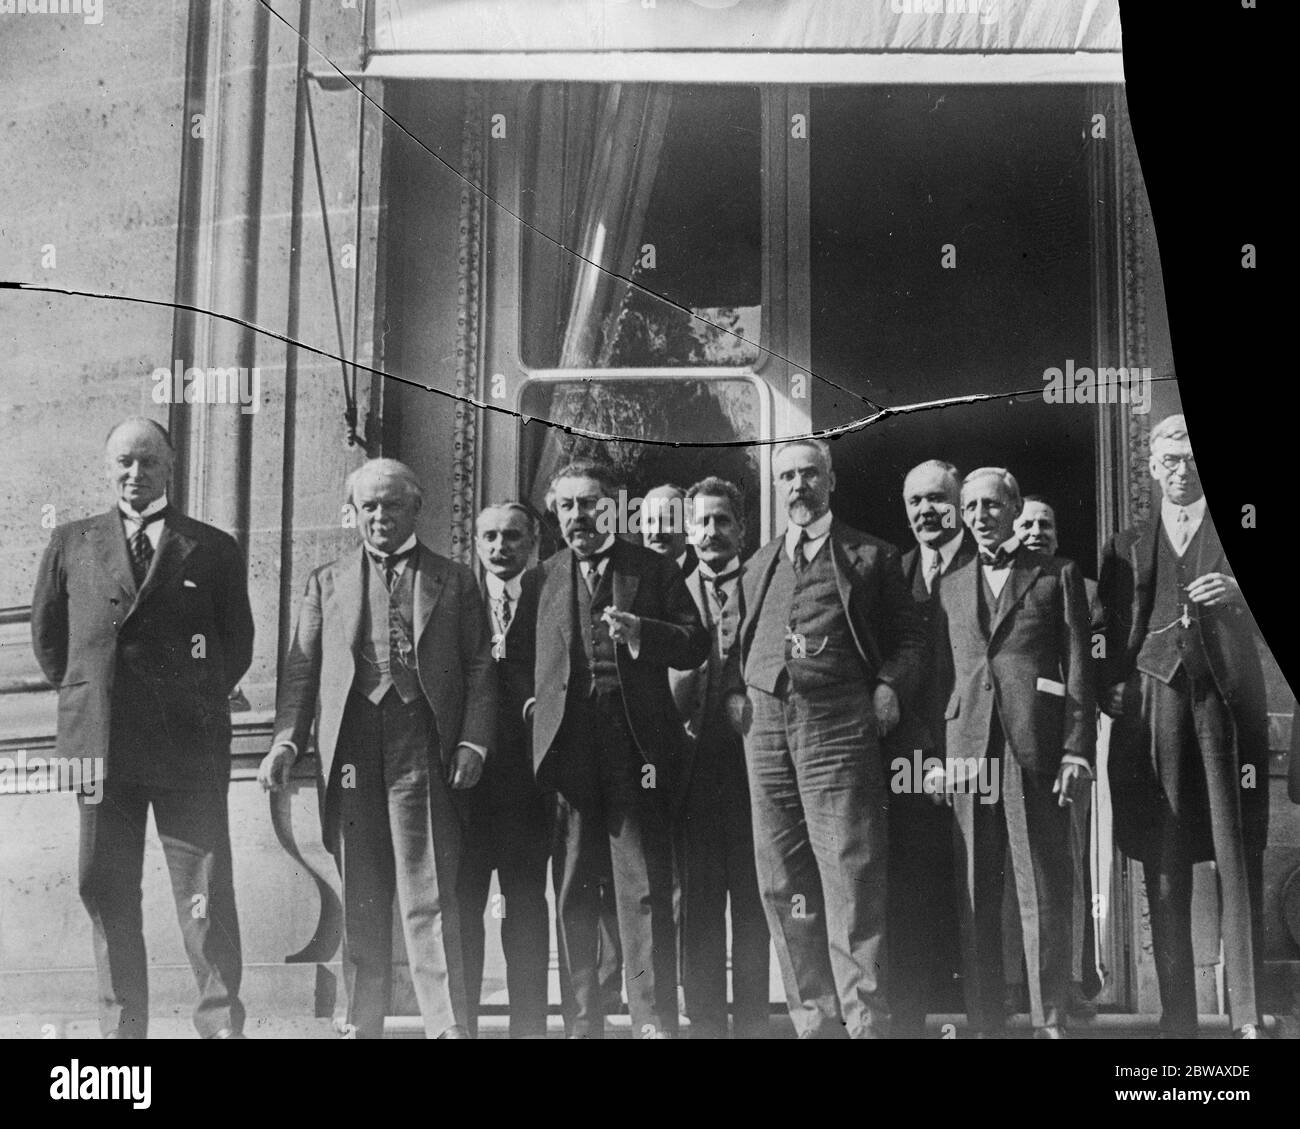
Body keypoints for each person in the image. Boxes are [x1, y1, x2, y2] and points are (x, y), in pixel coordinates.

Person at [31, 416, 254, 1039]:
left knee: (205, 896)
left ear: (170, 466)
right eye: (124, 462)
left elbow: (235, 644)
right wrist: (94, 697)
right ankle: (122, 1040)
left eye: (148, 462)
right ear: (109, 468)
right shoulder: (72, 543)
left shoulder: (211, 547)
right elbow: (52, 645)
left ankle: (220, 1029)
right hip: (97, 749)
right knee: (106, 890)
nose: (135, 474)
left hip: (187, 748)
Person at [259, 458, 496, 1039]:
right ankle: (359, 1022)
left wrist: (473, 741)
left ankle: (446, 1025)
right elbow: (300, 671)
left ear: (416, 507)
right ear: (355, 513)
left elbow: (480, 666)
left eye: (392, 504)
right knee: (361, 890)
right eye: (369, 506)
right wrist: (286, 741)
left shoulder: (455, 579)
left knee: (430, 887)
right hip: (350, 747)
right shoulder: (325, 580)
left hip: (422, 741)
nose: (381, 516)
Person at [724, 438, 926, 1039]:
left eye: (809, 474)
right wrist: (736, 692)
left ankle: (865, 1024)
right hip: (765, 733)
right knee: (781, 881)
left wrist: (889, 688)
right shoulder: (758, 564)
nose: (798, 486)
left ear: (830, 481)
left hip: (838, 727)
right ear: (776, 487)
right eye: (786, 477)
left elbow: (912, 640)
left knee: (850, 877)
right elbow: (732, 645)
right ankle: (813, 1023)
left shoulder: (872, 556)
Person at [1097, 414, 1269, 1039]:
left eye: (1191, 459)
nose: (1181, 469)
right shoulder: (1125, 545)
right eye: (1170, 459)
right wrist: (1107, 685)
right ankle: (1178, 1020)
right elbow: (1101, 630)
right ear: (1150, 467)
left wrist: (1239, 594)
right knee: (1164, 858)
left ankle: (1247, 1016)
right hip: (1153, 708)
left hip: (1224, 709)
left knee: (1237, 855)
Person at [530, 459, 709, 1038]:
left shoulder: (652, 569)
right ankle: (584, 1024)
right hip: (570, 754)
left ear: (613, 506)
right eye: (566, 506)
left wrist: (642, 635)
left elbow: (694, 645)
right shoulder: (545, 575)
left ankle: (652, 1021)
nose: (577, 516)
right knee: (574, 889)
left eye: (589, 504)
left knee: (644, 891)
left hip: (636, 751)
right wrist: (536, 709)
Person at [932, 467, 1095, 1039]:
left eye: (991, 506)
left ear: (1014, 506)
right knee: (975, 890)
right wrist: (937, 755)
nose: (980, 516)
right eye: (970, 507)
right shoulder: (950, 583)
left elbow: (1079, 667)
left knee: (1043, 889)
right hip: (968, 750)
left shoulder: (1055, 574)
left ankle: (1050, 1020)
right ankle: (984, 1023)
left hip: (1037, 747)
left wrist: (1078, 750)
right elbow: (940, 674)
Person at [669, 476, 769, 1038]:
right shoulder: (671, 590)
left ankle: (754, 1023)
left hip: (756, 764)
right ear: (689, 530)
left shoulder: (764, 584)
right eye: (702, 522)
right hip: (693, 767)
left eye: (722, 521)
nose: (711, 532)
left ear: (741, 529)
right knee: (698, 902)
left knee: (754, 902)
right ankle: (705, 1023)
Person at [456, 502, 551, 1038]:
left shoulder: (550, 595)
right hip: (466, 784)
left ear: (533, 541)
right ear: (476, 543)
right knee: (464, 906)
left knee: (526, 910)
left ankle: (529, 1030)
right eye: (489, 537)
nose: (500, 547)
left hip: (525, 787)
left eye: (512, 537)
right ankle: (462, 1027)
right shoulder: (457, 597)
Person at [890, 459, 974, 1035]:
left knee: (978, 886)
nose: (926, 511)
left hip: (978, 754)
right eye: (915, 501)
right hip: (913, 756)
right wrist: (925, 756)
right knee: (912, 886)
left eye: (938, 499)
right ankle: (911, 1014)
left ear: (960, 503)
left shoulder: (989, 564)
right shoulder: (893, 574)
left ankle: (986, 1011)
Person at [1012, 495, 1101, 1019]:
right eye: (1027, 523)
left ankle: (1069, 984)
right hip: (1014, 745)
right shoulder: (991, 586)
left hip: (1072, 745)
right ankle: (1015, 987)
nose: (1036, 531)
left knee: (1065, 865)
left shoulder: (1080, 588)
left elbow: (1094, 664)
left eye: (1047, 524)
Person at [642, 482, 699, 576]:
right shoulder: (628, 577)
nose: (656, 532)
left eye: (666, 521)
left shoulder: (704, 577)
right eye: (650, 522)